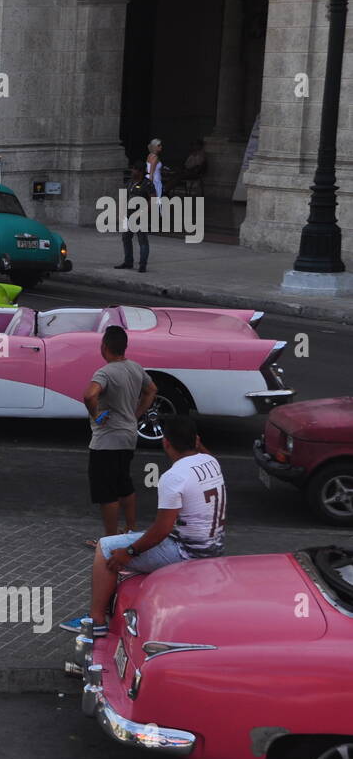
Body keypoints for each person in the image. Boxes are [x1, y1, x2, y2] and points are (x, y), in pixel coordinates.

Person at [59, 415, 226, 637]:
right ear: (197, 440)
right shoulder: (211, 462)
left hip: (187, 553)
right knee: (137, 538)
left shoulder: (173, 477)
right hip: (214, 548)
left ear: (166, 443)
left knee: (106, 547)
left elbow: (162, 530)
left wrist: (128, 553)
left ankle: (96, 621)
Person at [83, 325, 158, 538]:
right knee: (124, 484)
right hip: (128, 436)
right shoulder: (135, 368)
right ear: (124, 347)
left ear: (104, 347)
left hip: (107, 440)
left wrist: (96, 414)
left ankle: (109, 539)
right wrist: (137, 413)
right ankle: (131, 529)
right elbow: (152, 390)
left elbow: (89, 395)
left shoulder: (105, 372)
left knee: (107, 492)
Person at [116, 165, 152, 272]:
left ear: (140, 171)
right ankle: (128, 262)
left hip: (141, 217)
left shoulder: (147, 184)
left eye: (134, 170)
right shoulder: (130, 183)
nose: (132, 172)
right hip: (129, 216)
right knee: (126, 238)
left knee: (142, 241)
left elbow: (153, 199)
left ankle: (142, 264)